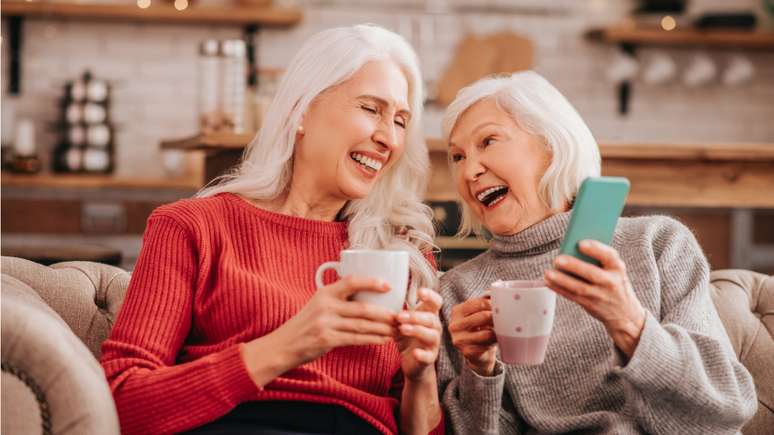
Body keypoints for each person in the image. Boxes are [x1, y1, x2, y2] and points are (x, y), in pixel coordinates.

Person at [100, 24, 444, 435]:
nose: (388, 137)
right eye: (371, 109)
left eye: (401, 121)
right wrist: (288, 345)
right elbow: (120, 400)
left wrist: (421, 379)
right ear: (300, 112)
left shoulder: (402, 254)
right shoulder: (194, 228)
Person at [436, 71, 757, 435]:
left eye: (488, 141)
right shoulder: (459, 293)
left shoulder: (658, 244)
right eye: (457, 157)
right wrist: (480, 371)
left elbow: (726, 407)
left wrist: (630, 325)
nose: (470, 171)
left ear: (551, 145)